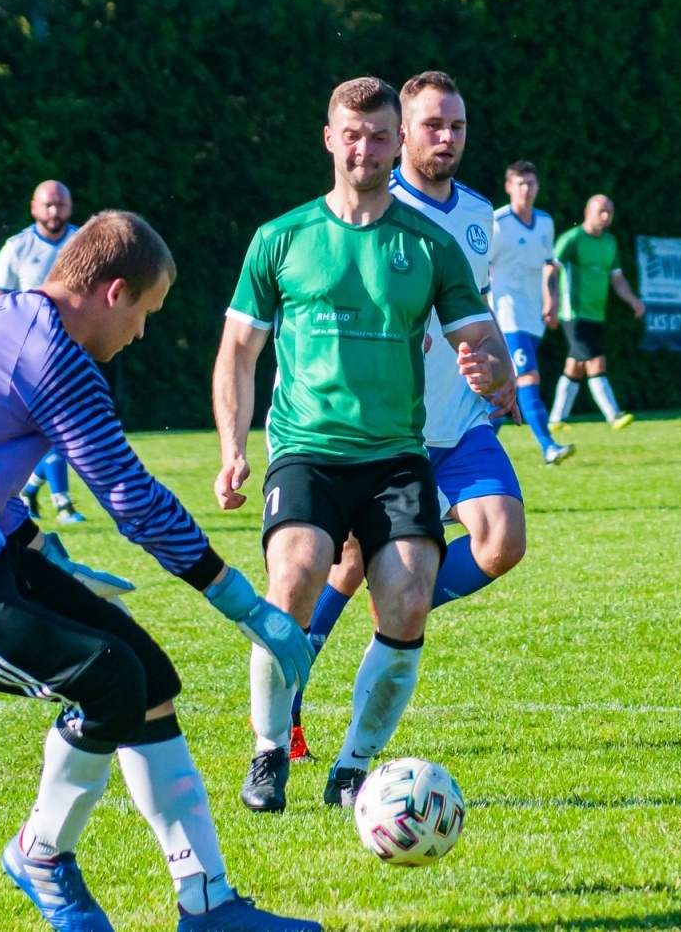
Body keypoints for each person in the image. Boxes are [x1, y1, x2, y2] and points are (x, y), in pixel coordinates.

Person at [0, 211, 319, 932]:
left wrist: (34, 547)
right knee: (109, 681)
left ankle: (208, 904)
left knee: (150, 679)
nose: (140, 335)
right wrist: (244, 602)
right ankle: (39, 854)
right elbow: (131, 500)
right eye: (146, 314)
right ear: (114, 292)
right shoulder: (54, 355)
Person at [212, 76, 509, 813]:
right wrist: (233, 447)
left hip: (396, 454)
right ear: (329, 138)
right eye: (353, 134)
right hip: (308, 449)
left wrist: (490, 364)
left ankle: (353, 768)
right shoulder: (282, 238)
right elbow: (238, 351)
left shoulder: (430, 245)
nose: (367, 149)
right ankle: (269, 751)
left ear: (393, 141)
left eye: (380, 136)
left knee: (407, 597)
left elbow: (482, 337)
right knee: (297, 575)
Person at [287, 71, 530, 770]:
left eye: (456, 125)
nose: (446, 137)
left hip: (460, 426)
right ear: (401, 135)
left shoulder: (481, 215)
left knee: (501, 540)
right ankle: (296, 675)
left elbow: (477, 319)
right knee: (354, 560)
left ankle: (403, 599)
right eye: (432, 125)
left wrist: (497, 373)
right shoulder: (370, 211)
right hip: (386, 432)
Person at [0, 180, 86, 524]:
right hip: (29, 356)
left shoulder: (84, 244)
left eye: (60, 204)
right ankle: (62, 504)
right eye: (47, 205)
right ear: (33, 207)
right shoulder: (16, 248)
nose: (53, 211)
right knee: (55, 429)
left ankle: (31, 491)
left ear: (69, 206)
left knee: (61, 430)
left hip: (73, 352)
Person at [489, 160, 573, 465]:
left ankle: (474, 449)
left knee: (503, 391)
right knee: (527, 377)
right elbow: (481, 268)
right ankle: (548, 446)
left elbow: (549, 264)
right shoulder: (497, 222)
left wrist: (552, 300)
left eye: (531, 184)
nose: (526, 190)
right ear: (509, 187)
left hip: (533, 316)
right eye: (520, 184)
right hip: (506, 316)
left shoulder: (545, 223)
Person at [547, 195, 645, 431]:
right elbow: (550, 270)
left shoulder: (610, 242)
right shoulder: (572, 239)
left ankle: (556, 419)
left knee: (575, 366)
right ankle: (614, 415)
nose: (605, 216)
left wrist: (633, 300)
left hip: (596, 315)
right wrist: (551, 303)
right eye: (600, 211)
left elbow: (617, 277)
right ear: (587, 212)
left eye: (609, 212)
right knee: (596, 362)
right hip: (573, 313)